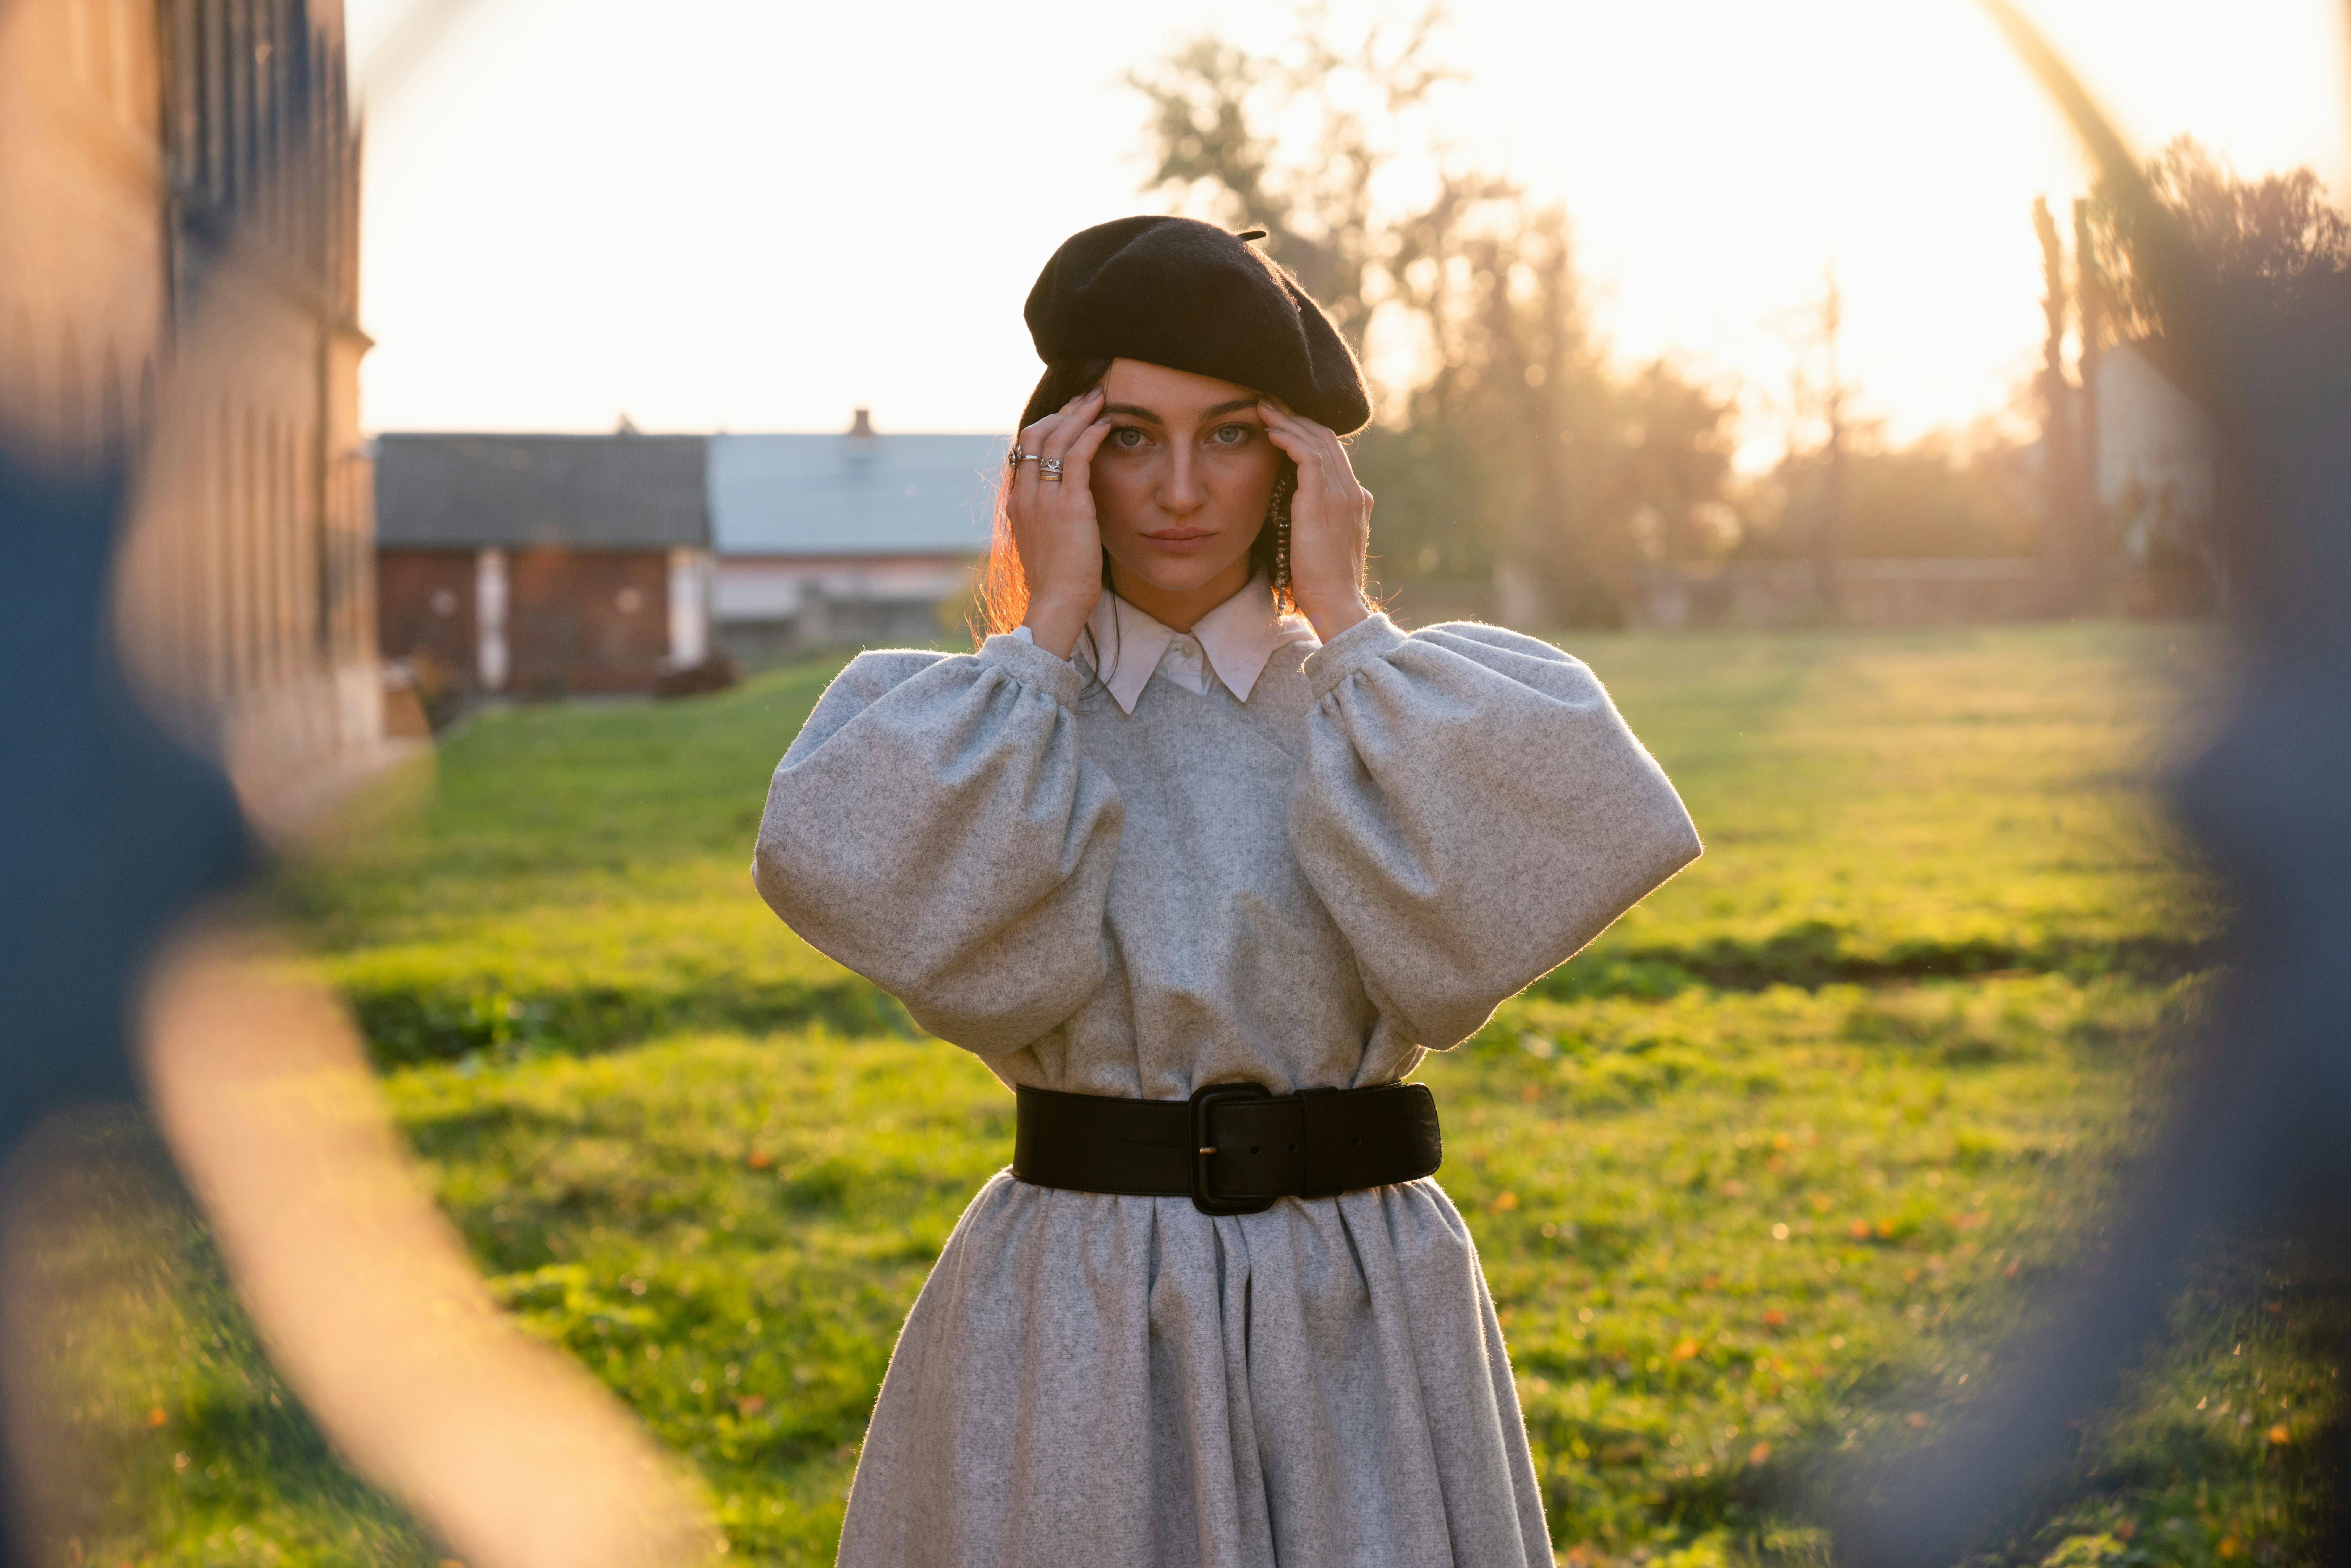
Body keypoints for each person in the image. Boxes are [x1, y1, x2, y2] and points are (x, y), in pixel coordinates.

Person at [753, 215, 1701, 1568]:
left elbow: (1493, 916)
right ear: (1054, 463)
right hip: (1082, 1309)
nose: (1179, 489)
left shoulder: (1382, 713)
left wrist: (1346, 614)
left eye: (1231, 435)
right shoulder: (989, 726)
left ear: (1297, 466)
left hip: (1357, 1303)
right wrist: (1044, 639)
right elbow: (896, 904)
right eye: (1129, 437)